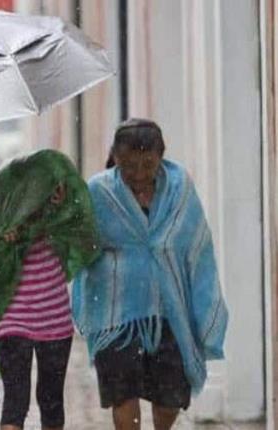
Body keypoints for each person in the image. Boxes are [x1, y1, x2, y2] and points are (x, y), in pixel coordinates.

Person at [72, 118, 228, 430]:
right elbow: (78, 247)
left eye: (148, 164)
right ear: (116, 158)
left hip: (170, 311)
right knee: (123, 395)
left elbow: (198, 245)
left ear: (161, 156)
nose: (140, 174)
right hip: (115, 316)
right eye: (130, 166)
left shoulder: (180, 188)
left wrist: (203, 310)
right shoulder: (99, 192)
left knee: (170, 399)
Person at [0, 149, 100, 430]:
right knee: (16, 400)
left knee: (51, 399)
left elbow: (83, 228)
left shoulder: (59, 223)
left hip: (56, 324)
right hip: (12, 323)